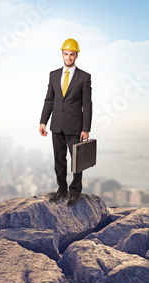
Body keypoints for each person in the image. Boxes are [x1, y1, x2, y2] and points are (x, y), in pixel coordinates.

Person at [39, 38, 92, 207]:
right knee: (59, 159)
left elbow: (87, 104)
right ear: (62, 54)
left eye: (72, 55)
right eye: (66, 54)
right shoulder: (54, 75)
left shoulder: (84, 77)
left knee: (77, 161)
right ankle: (62, 189)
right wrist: (43, 122)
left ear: (77, 56)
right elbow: (49, 100)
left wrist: (86, 128)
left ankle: (75, 192)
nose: (68, 58)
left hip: (75, 127)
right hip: (57, 125)